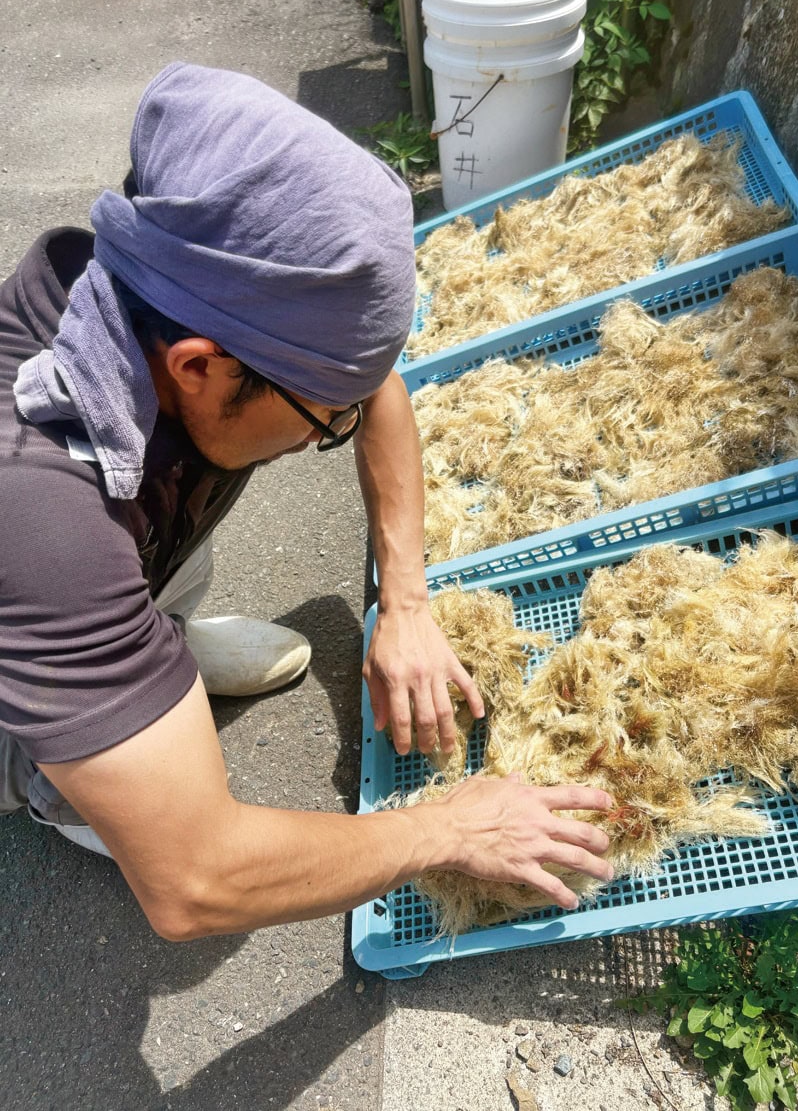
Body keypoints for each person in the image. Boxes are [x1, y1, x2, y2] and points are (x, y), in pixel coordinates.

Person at [0, 62, 614, 939]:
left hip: (90, 574)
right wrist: (446, 827)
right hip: (22, 649)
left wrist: (405, 603)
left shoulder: (170, 287)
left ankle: (148, 648)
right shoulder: (47, 522)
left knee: (157, 550)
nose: (334, 432)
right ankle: (67, 784)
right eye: (323, 423)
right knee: (163, 824)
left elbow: (373, 387)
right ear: (199, 365)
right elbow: (199, 881)